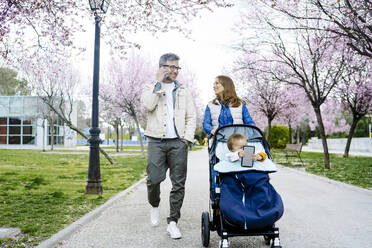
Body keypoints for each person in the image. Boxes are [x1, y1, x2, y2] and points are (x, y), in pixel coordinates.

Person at [141, 53, 196, 239]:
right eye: (170, 67)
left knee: (178, 183)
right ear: (161, 67)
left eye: (176, 68)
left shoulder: (183, 90)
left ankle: (173, 221)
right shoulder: (149, 87)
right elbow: (148, 106)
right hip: (156, 141)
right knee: (154, 179)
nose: (174, 71)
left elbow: (191, 116)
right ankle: (154, 205)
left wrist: (186, 139)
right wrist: (158, 85)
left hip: (178, 143)